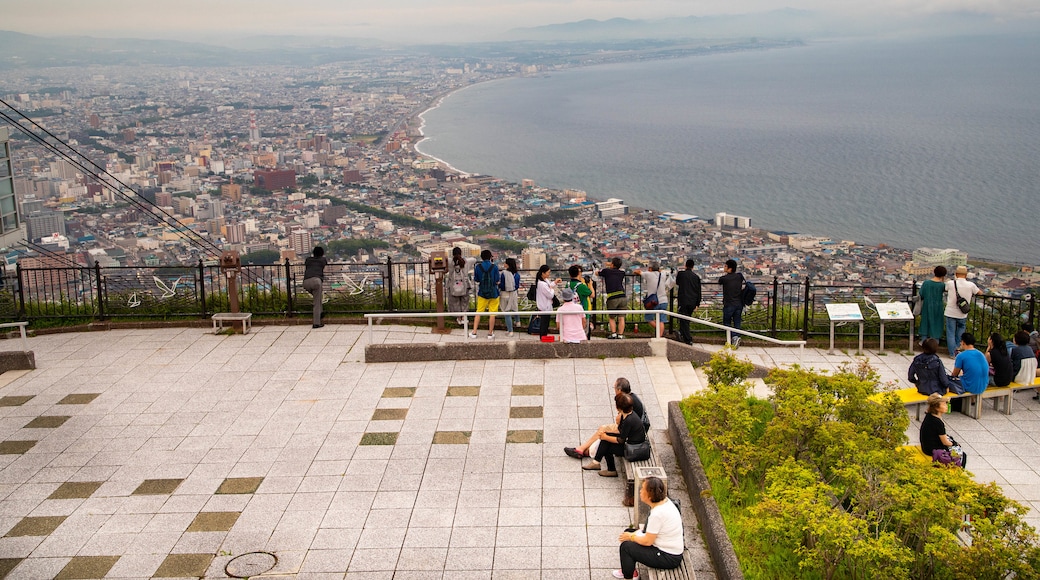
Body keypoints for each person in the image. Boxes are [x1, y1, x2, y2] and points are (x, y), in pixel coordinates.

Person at [615, 476, 684, 579]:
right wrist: (632, 534)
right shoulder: (665, 501)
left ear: (650, 495)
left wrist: (631, 537)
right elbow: (648, 531)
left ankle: (629, 576)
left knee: (626, 547)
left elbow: (648, 541)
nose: (640, 491)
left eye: (643, 489)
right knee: (628, 532)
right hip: (667, 547)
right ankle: (628, 568)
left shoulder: (658, 514)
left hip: (668, 557)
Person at [564, 377, 648, 460]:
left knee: (603, 434)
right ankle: (582, 450)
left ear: (619, 390)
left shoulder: (626, 401)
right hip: (630, 429)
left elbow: (621, 426)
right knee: (602, 430)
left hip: (630, 433)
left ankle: (585, 451)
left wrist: (606, 435)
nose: (614, 390)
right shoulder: (631, 397)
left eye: (614, 388)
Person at [581, 392, 645, 478]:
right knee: (606, 438)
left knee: (606, 445)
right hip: (630, 443)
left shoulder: (629, 420)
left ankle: (609, 469)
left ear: (619, 408)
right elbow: (620, 430)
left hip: (633, 449)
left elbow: (620, 440)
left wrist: (605, 437)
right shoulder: (626, 415)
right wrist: (605, 432)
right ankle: (597, 463)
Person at [919, 393, 967, 468]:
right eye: (944, 404)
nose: (946, 406)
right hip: (933, 450)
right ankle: (959, 472)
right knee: (962, 455)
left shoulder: (929, 416)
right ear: (937, 407)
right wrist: (954, 444)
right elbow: (945, 442)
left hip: (926, 447)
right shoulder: (938, 422)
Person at [944, 265, 982, 357]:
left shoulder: (950, 283)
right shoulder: (971, 285)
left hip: (950, 312)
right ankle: (958, 349)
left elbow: (945, 289)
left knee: (950, 333)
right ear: (966, 275)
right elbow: (980, 292)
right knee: (960, 333)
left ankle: (952, 353)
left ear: (956, 274)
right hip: (963, 313)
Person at [634, 262, 674, 338]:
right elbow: (663, 271)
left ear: (651, 269)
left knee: (648, 317)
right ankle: (660, 335)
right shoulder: (663, 274)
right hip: (664, 300)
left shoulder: (648, 274)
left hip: (653, 302)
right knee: (661, 320)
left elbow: (637, 272)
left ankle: (659, 331)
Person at [471, 250, 500, 339]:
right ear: (490, 257)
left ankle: (474, 332)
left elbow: (476, 279)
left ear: (482, 257)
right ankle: (490, 333)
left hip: (482, 293)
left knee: (479, 312)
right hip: (493, 293)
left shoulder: (478, 267)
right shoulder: (494, 267)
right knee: (492, 313)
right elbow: (497, 280)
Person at [917, 266, 947, 345]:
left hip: (927, 305)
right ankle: (935, 341)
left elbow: (921, 294)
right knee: (937, 323)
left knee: (925, 322)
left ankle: (924, 340)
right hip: (938, 306)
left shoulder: (926, 283)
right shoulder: (942, 285)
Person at [599, 258, 628, 339]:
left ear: (612, 264)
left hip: (612, 297)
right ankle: (621, 335)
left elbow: (598, 273)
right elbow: (617, 269)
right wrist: (612, 265)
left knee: (611, 317)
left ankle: (614, 333)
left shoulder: (606, 271)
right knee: (621, 317)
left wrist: (607, 265)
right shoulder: (622, 273)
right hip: (622, 296)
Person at [674, 259, 702, 344]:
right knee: (686, 319)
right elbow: (699, 291)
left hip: (683, 300)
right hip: (692, 301)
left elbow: (677, 282)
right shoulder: (696, 277)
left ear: (685, 265)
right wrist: (697, 303)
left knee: (683, 319)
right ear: (693, 267)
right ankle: (682, 334)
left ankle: (688, 339)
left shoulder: (681, 274)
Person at [719, 259, 745, 347]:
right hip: (739, 303)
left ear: (729, 268)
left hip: (729, 303)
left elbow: (720, 281)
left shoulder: (724, 279)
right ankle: (736, 336)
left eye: (725, 266)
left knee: (727, 322)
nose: (724, 267)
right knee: (737, 321)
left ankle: (734, 337)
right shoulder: (739, 276)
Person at [302, 246, 328, 329]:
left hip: (306, 282)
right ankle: (316, 323)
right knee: (316, 302)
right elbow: (324, 263)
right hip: (316, 281)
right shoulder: (322, 260)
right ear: (322, 254)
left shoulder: (308, 260)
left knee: (317, 298)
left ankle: (320, 312)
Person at [446, 247, 473, 325]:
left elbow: (443, 259)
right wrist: (463, 258)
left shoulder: (450, 261)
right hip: (464, 284)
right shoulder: (466, 261)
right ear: (461, 253)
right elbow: (474, 259)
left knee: (455, 302)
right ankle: (464, 317)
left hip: (453, 284)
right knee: (465, 301)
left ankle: (458, 317)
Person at [567, 265, 594, 339]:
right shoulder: (582, 286)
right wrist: (590, 284)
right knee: (583, 333)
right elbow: (592, 295)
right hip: (583, 312)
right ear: (579, 274)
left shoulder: (568, 285)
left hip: (570, 312)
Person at [534, 265, 560, 338]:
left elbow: (548, 287)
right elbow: (550, 294)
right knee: (544, 325)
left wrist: (554, 283)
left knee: (545, 324)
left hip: (545, 306)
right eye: (548, 272)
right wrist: (552, 289)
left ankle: (543, 337)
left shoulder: (544, 281)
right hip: (545, 307)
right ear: (543, 273)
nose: (549, 274)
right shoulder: (542, 284)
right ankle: (543, 337)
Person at [499, 257, 521, 337]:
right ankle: (517, 321)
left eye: (505, 263)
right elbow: (517, 286)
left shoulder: (504, 273)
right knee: (515, 308)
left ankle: (510, 331)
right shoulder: (517, 275)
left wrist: (498, 284)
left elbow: (502, 285)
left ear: (508, 265)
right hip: (514, 294)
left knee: (506, 312)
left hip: (505, 294)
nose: (504, 264)